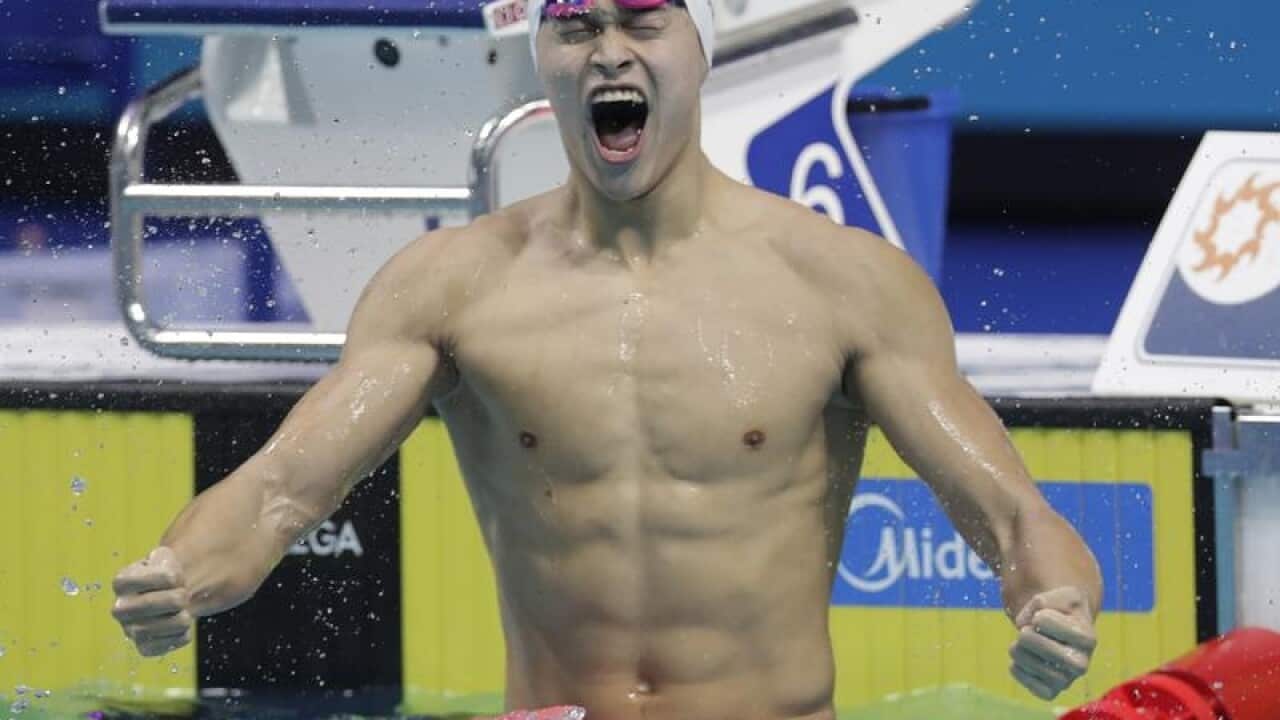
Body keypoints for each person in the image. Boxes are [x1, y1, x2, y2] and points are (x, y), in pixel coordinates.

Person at [111, 0, 1103, 717]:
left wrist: (1052, 602)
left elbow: (1012, 517)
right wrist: (182, 573)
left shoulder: (840, 283)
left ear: (700, 51)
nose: (607, 54)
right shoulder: (451, 285)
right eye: (576, 27)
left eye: (642, 22)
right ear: (541, 56)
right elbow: (283, 488)